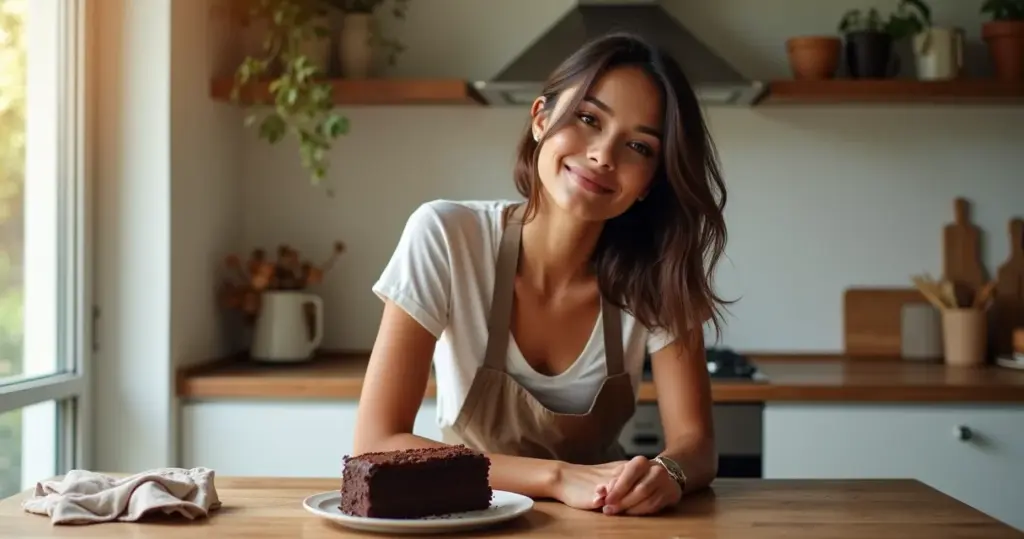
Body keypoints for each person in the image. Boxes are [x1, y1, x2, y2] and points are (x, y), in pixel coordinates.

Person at [353, 31, 729, 516]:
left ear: (649, 183)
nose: (603, 155)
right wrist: (556, 477)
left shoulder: (656, 270)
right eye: (588, 119)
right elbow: (376, 442)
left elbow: (696, 445)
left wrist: (668, 474)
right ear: (540, 119)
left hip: (606, 522)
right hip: (463, 518)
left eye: (638, 146)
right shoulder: (447, 235)